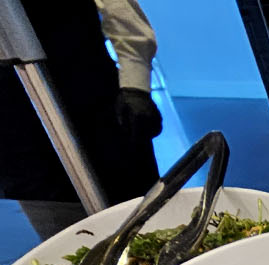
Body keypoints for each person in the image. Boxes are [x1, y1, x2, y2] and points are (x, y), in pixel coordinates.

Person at [0, 0, 161, 204]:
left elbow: (119, 9)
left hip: (88, 87)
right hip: (12, 116)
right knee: (48, 213)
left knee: (136, 201)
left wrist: (135, 86)